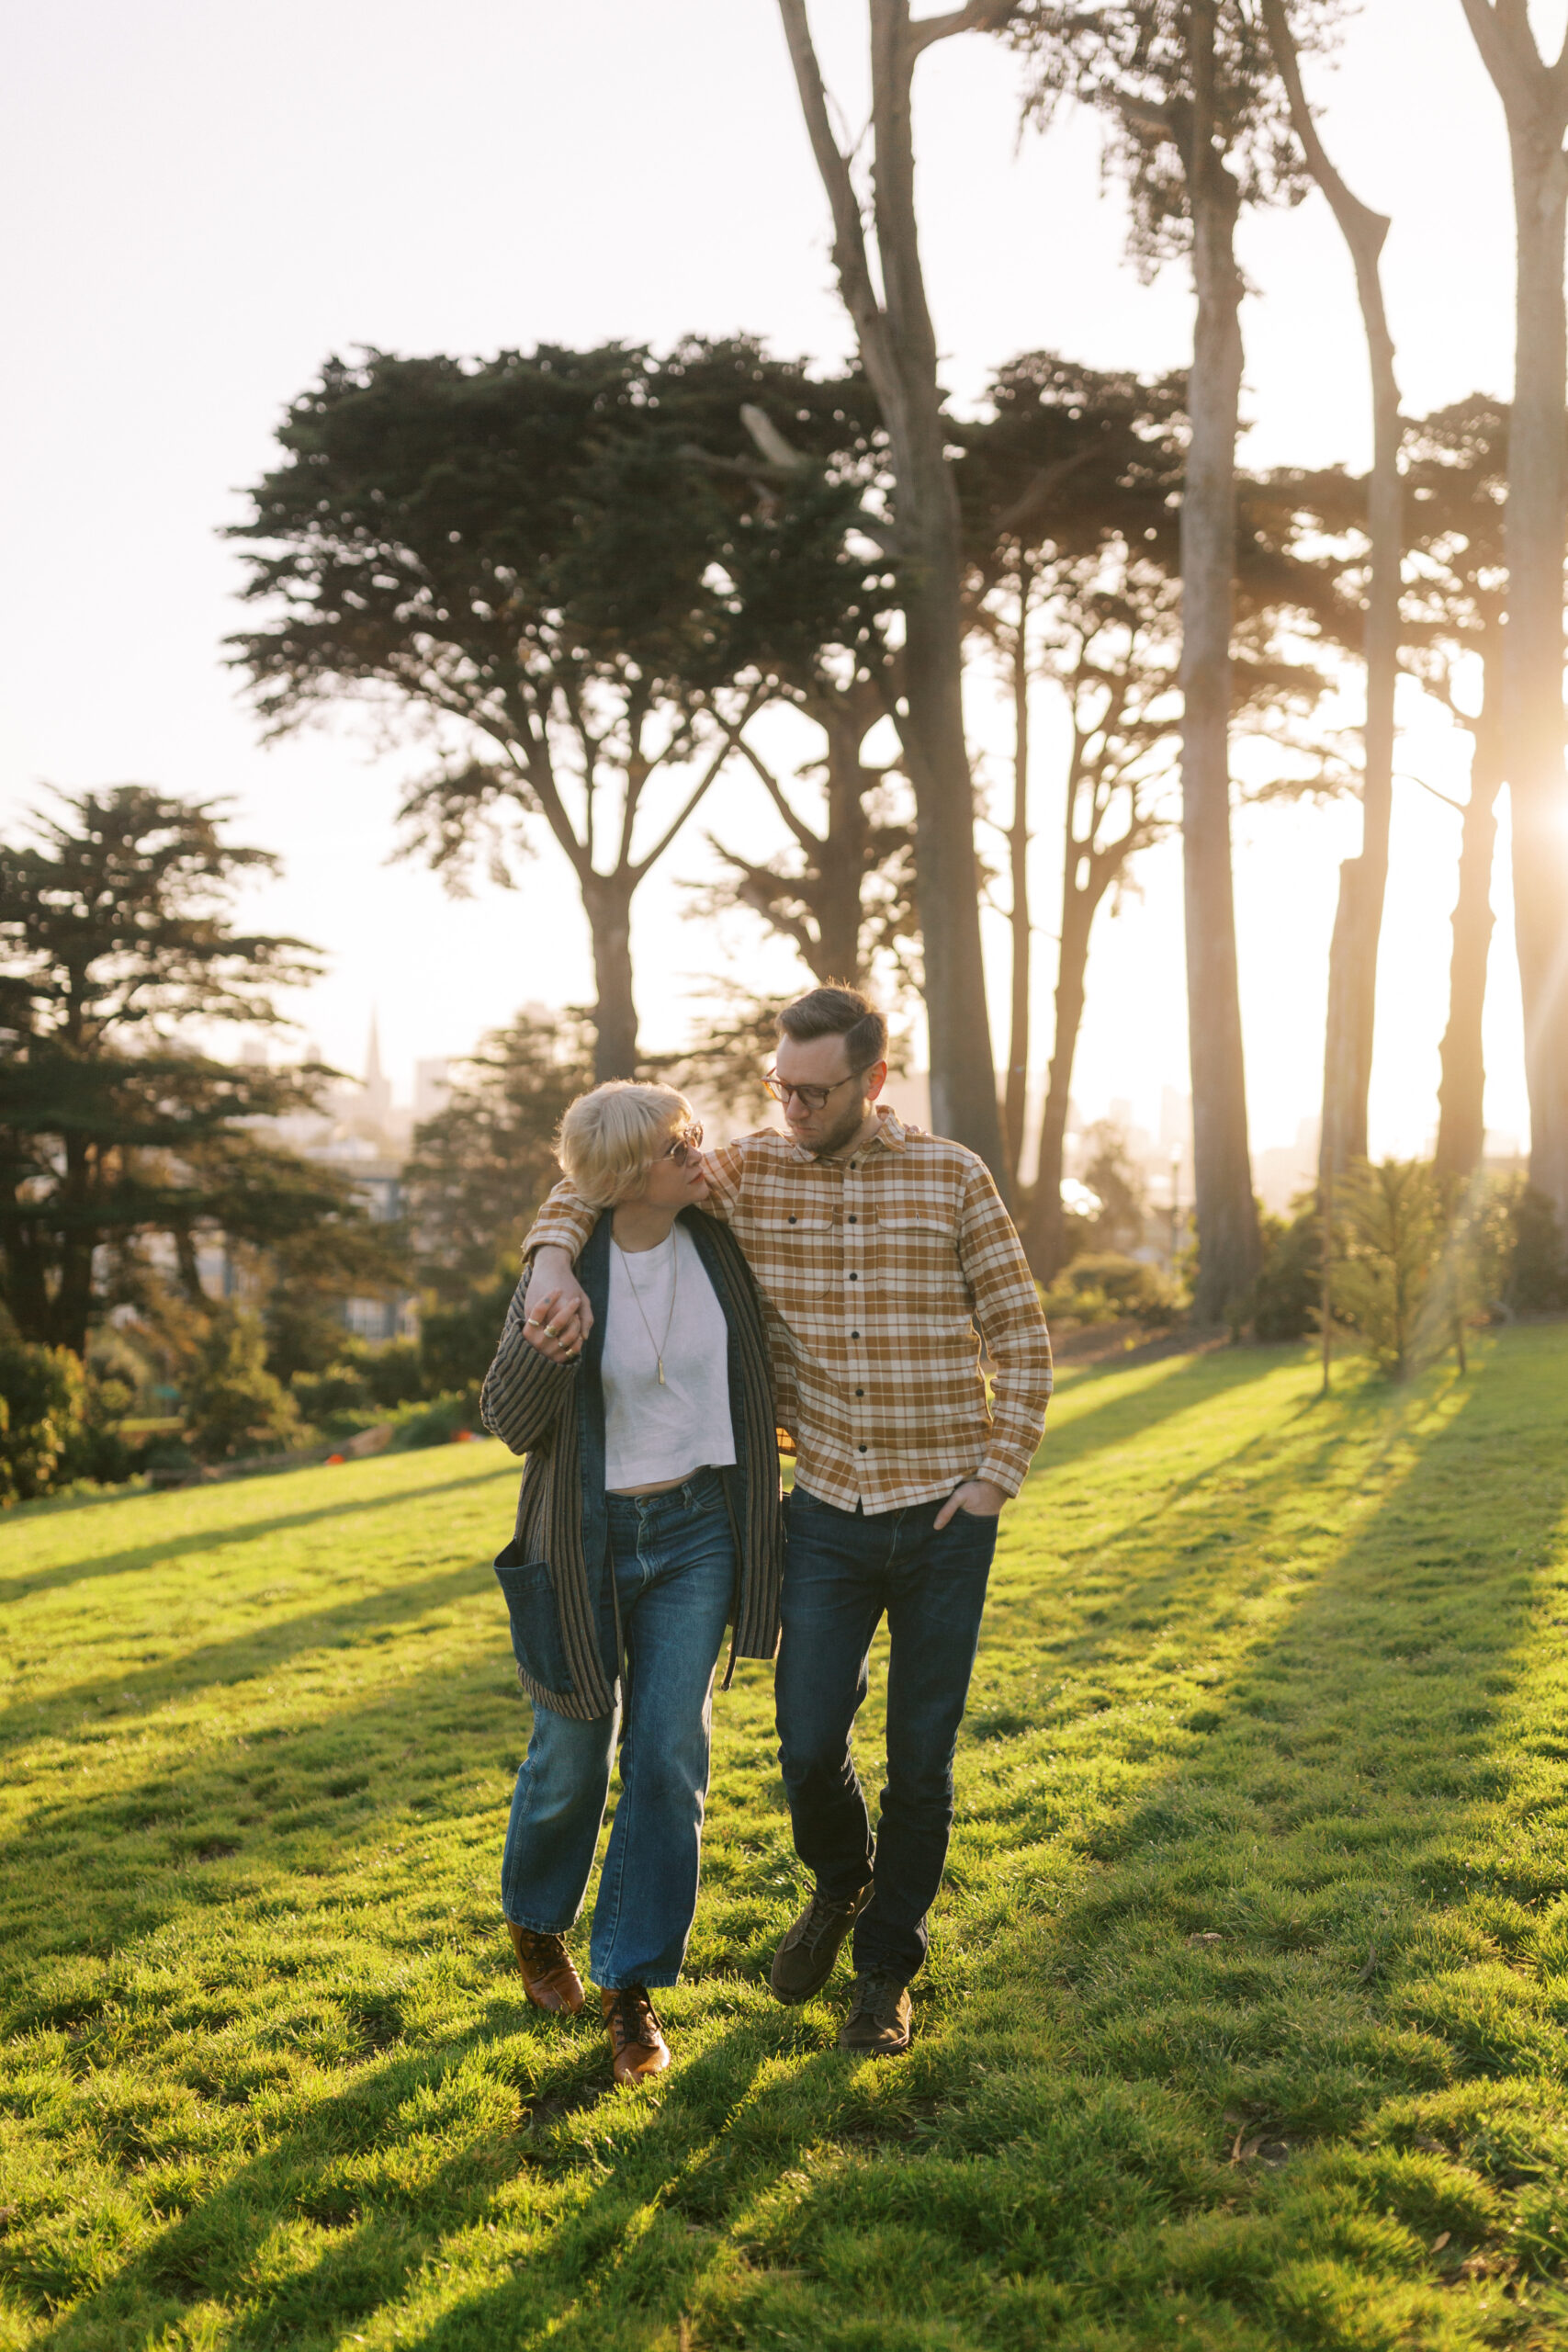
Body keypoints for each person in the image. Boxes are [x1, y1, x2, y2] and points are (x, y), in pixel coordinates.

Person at [523, 986, 1052, 2059]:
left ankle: (885, 1973)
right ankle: (842, 1877)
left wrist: (997, 1475)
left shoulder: (952, 1176)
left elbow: (1023, 1337)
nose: (794, 1107)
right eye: (782, 1087)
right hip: (823, 1516)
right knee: (807, 1745)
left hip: (949, 1512)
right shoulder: (750, 1173)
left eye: (816, 1092)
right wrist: (545, 1253)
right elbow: (605, 1178)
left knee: (922, 1760)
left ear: (874, 1081)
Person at [480, 1080, 783, 2086]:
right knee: (570, 1752)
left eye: (696, 1133)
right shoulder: (566, 1275)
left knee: (668, 1756)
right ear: (621, 1179)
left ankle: (630, 1988)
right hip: (582, 1537)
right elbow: (508, 1420)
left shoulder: (719, 1233)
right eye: (676, 1145)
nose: (701, 1152)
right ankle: (535, 1922)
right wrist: (541, 1338)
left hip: (698, 1531)